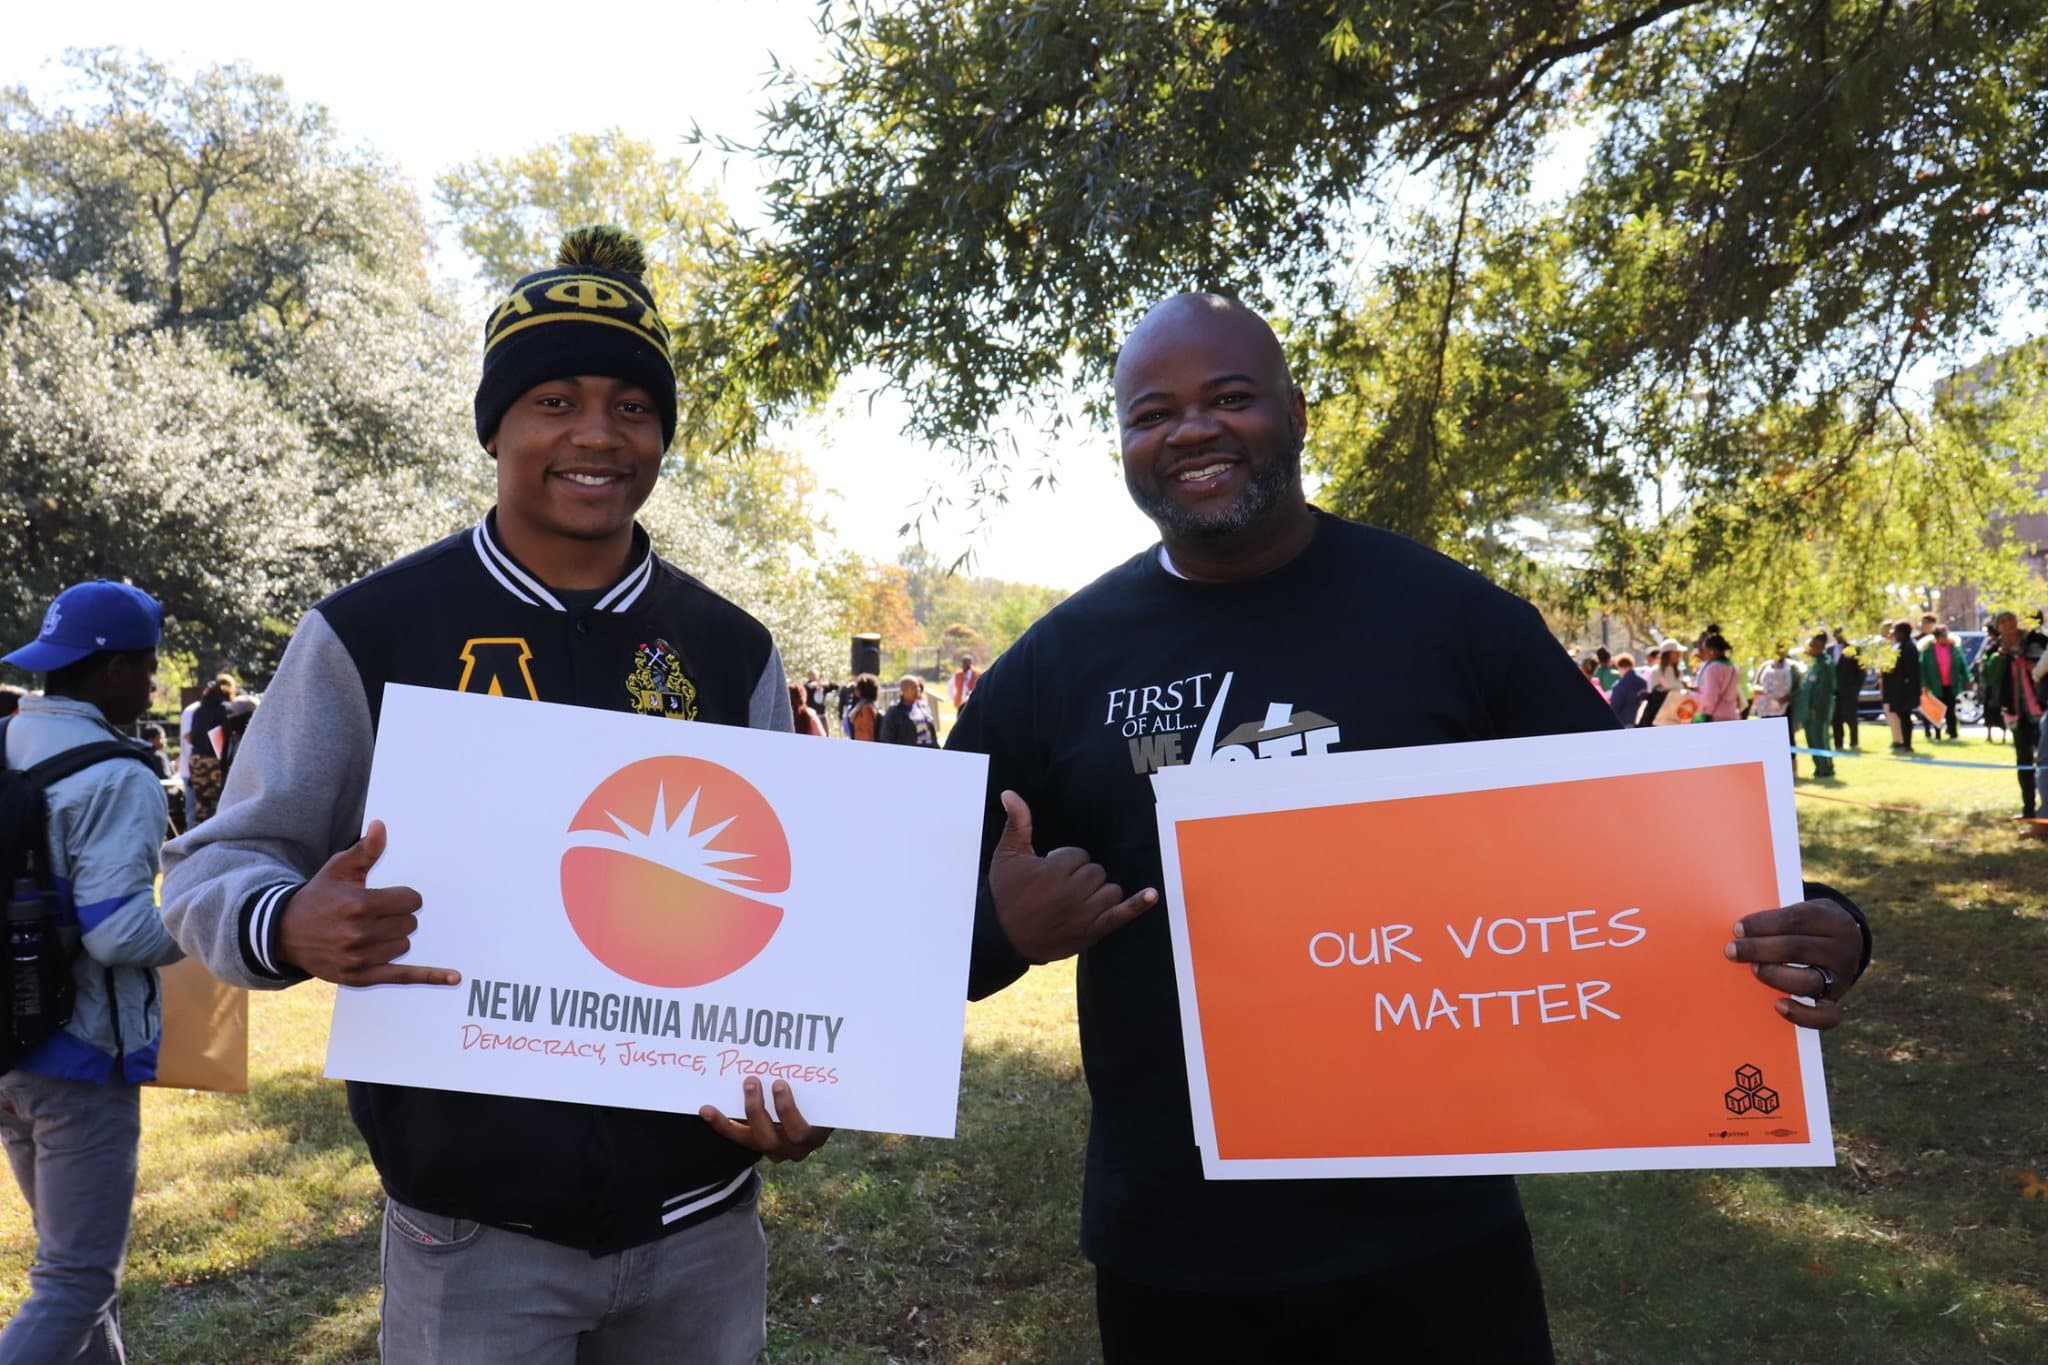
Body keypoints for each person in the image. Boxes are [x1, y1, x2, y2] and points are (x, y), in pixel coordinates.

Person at [942, 293, 1871, 1361]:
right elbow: (909, 929)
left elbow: (1648, 845)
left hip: (1432, 1234)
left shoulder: (1447, 618)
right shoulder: (1059, 665)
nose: (1190, 430)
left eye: (1229, 397)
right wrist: (1004, 931)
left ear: (1293, 412)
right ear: (1122, 447)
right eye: (1151, 414)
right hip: (1176, 1244)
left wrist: (1827, 924)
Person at [159, 227, 827, 1363]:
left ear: (660, 433)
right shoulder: (371, 632)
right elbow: (211, 870)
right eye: (553, 399)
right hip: (470, 1238)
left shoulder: (728, 647)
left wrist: (811, 1082)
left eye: (630, 405)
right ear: (495, 429)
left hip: (703, 1229)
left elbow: (792, 921)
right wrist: (290, 923)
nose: (595, 435)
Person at [0, 581, 184, 1363]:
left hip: (10, 1049)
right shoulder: (120, 773)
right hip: (80, 1057)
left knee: (81, 1272)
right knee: (75, 1278)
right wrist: (205, 925)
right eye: (146, 669)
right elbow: (117, 934)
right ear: (109, 671)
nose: (151, 687)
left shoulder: (7, 741)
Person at [1981, 610, 2045, 818]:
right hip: (2015, 712)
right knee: (2024, 761)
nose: (2008, 624)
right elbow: (1989, 677)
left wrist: (2031, 665)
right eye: (2003, 622)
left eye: (2011, 620)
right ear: (1998, 627)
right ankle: (2028, 809)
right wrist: (2000, 657)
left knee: (2045, 761)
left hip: (2041, 710)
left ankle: (2046, 809)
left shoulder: (2035, 640)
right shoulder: (1993, 647)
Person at [184, 675, 236, 825]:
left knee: (201, 805)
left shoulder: (199, 710)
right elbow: (226, 737)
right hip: (215, 762)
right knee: (220, 803)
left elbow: (192, 736)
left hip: (196, 760)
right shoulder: (225, 710)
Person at [1794, 632, 1838, 780]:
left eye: (1812, 646)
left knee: (1820, 738)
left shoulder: (1825, 664)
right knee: (1812, 739)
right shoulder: (1814, 663)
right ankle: (1818, 767)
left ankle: (1825, 768)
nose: (1810, 648)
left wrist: (1815, 707)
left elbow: (1824, 689)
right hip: (1807, 709)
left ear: (1819, 647)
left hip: (1818, 710)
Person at [1881, 620, 1923, 754]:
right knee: (1901, 715)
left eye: (1897, 631)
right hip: (1896, 689)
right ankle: (1902, 742)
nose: (1894, 634)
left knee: (1905, 716)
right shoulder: (1898, 646)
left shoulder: (1909, 647)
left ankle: (1907, 744)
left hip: (1905, 690)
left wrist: (1913, 690)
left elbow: (1912, 671)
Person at [1920, 623, 1962, 741]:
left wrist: (1965, 678)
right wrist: (1924, 684)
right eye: (1942, 636)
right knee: (1937, 710)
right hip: (1935, 685)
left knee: (1950, 710)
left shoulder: (1954, 648)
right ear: (1936, 637)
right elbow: (1923, 668)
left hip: (1950, 684)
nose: (1944, 638)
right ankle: (1937, 735)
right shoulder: (1928, 650)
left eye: (1945, 635)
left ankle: (1953, 734)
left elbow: (1961, 664)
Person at [1693, 633, 1742, 721]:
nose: (1704, 654)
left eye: (1705, 650)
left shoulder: (1712, 668)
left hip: (1715, 718)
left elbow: (1709, 699)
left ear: (1711, 651)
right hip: (1732, 715)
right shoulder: (1734, 667)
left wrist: (1691, 695)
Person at [879, 675, 938, 746]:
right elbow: (886, 738)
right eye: (914, 687)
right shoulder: (894, 712)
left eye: (918, 686)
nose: (918, 689)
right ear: (904, 690)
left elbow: (932, 736)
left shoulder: (924, 708)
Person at [1639, 640, 1686, 726]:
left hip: (1675, 714)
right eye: (1676, 652)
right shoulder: (1656, 671)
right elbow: (1653, 692)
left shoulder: (1679, 671)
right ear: (1668, 654)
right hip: (1659, 716)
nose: (1679, 655)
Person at [1832, 637, 1865, 753]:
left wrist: (1856, 689)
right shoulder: (1829, 650)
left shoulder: (1854, 649)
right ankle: (1838, 743)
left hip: (1849, 690)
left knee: (1851, 718)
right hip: (1834, 692)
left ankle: (1854, 742)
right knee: (1836, 718)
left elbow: (1861, 671)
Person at [1606, 652, 1647, 727]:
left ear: (1621, 667)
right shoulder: (1643, 683)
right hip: (1640, 722)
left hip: (1624, 722)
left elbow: (1615, 705)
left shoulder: (1620, 685)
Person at [845, 673, 882, 740]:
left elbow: (867, 732)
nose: (855, 690)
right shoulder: (863, 705)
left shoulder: (866, 709)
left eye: (857, 688)